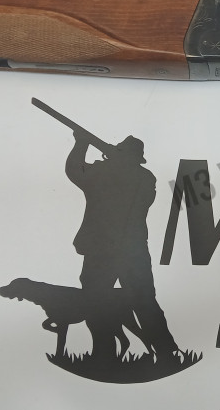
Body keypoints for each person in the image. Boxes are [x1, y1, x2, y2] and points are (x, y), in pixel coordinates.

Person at [65, 131, 180, 362]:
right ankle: (165, 352)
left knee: (98, 301)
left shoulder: (109, 173)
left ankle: (105, 355)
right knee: (142, 301)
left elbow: (75, 171)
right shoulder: (144, 177)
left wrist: (81, 144)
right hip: (133, 249)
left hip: (105, 249)